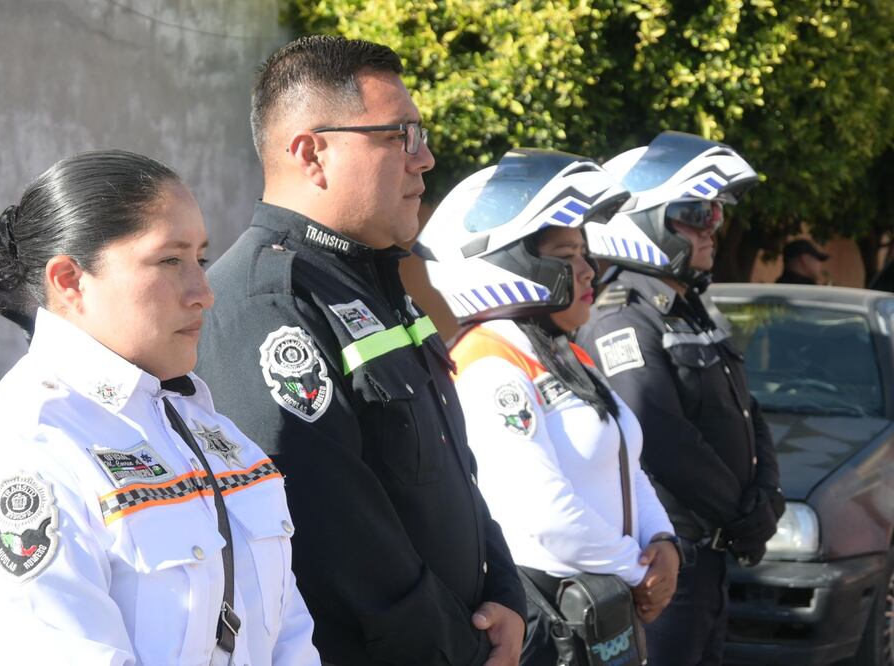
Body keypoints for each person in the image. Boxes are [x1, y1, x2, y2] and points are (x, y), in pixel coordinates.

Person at [195, 35, 526, 666]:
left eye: (421, 134)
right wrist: (463, 648)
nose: (424, 159)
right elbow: (333, 533)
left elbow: (452, 470)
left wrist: (506, 593)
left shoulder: (376, 283)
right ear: (312, 153)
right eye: (400, 135)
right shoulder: (270, 302)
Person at [0, 150, 319, 665]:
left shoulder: (206, 427)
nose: (203, 293)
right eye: (169, 260)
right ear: (69, 281)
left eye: (201, 258)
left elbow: (289, 636)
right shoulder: (14, 455)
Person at [415, 148, 680, 665]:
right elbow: (542, 514)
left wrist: (664, 542)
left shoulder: (563, 352)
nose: (589, 271)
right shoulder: (490, 361)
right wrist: (639, 569)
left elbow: (627, 461)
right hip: (549, 622)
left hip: (605, 609)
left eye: (586, 255)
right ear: (515, 261)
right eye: (567, 256)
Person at [575, 131, 785, 666]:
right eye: (697, 213)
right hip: (670, 562)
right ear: (644, 223)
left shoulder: (688, 309)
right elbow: (661, 437)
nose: (714, 228)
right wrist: (742, 513)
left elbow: (747, 410)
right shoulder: (622, 315)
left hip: (711, 559)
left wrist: (768, 496)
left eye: (716, 213)